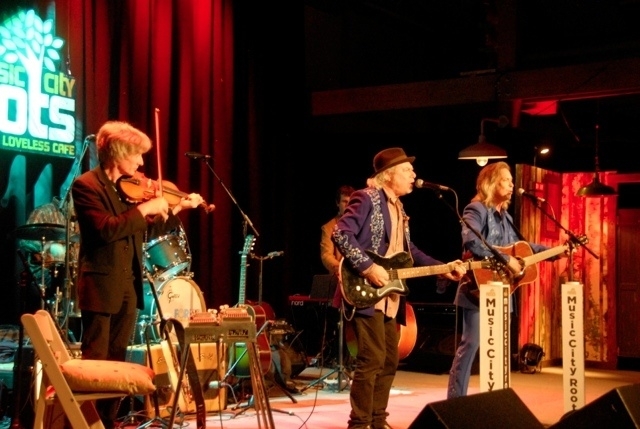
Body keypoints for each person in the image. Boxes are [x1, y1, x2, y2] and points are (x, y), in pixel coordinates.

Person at [71, 120, 205, 427]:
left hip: (128, 287)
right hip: (101, 287)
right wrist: (145, 209)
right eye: (137, 155)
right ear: (118, 152)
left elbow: (143, 231)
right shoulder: (87, 186)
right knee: (96, 362)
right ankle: (87, 423)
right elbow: (105, 230)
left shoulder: (127, 192)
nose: (142, 162)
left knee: (118, 362)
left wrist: (177, 208)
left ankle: (109, 421)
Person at [332, 147, 467, 429]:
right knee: (371, 358)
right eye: (407, 170)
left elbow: (410, 251)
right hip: (365, 288)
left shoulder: (400, 208)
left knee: (390, 359)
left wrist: (444, 267)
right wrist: (369, 267)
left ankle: (378, 421)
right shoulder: (366, 197)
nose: (413, 175)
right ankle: (359, 424)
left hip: (389, 295)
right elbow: (341, 234)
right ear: (388, 174)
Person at [446, 161, 564, 399]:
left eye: (512, 180)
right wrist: (504, 259)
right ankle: (455, 402)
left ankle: (495, 400)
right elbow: (472, 241)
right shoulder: (476, 209)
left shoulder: (506, 216)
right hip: (478, 290)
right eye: (506, 180)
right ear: (490, 183)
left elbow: (522, 247)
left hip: (503, 291)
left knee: (498, 348)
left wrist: (553, 251)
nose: (512, 184)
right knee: (471, 346)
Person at [321, 185, 356, 275]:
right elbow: (326, 255)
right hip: (339, 277)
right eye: (344, 202)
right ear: (337, 203)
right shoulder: (329, 227)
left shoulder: (360, 224)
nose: (348, 205)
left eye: (350, 202)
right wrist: (341, 269)